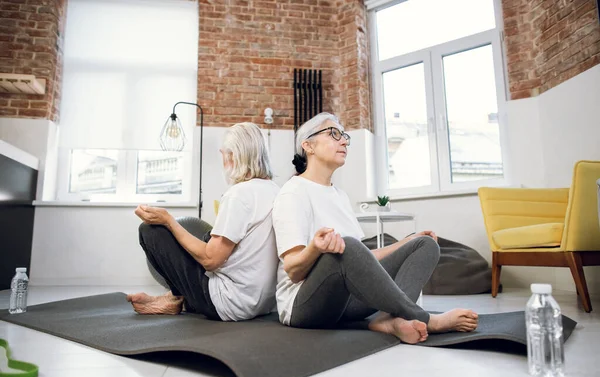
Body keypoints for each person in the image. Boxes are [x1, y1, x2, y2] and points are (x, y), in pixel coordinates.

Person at [272, 113, 478, 343]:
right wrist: (316, 248)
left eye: (345, 137)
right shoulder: (293, 192)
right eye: (334, 134)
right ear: (308, 145)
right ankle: (425, 318)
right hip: (304, 307)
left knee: (424, 245)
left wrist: (405, 243)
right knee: (346, 245)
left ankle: (389, 320)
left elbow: (362, 260)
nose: (344, 141)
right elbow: (293, 270)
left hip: (346, 302)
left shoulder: (340, 196)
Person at [127, 122, 280, 321]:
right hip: (264, 303)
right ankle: (174, 297)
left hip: (229, 304)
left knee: (149, 231)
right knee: (208, 237)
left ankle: (175, 298)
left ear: (233, 156)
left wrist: (168, 221)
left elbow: (211, 261)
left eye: (224, 154)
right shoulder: (276, 190)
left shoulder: (239, 195)